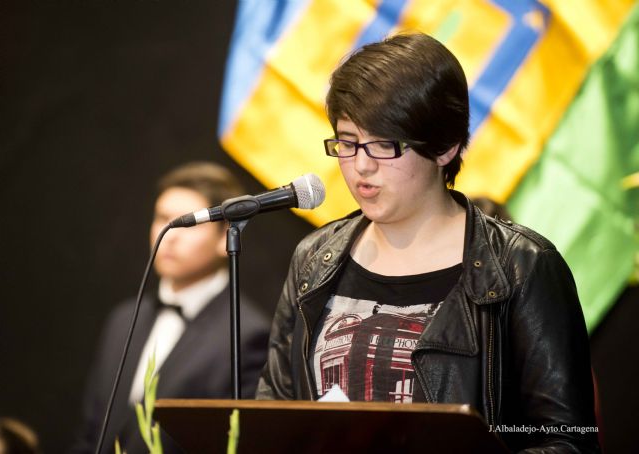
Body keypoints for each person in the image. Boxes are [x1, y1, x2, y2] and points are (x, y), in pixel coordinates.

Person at [256, 33, 599, 452]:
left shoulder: (521, 266)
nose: (361, 166)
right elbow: (274, 410)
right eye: (347, 142)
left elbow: (570, 441)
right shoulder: (314, 258)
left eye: (385, 144)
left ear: (445, 148)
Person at [71, 162, 270, 454]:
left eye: (186, 223)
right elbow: (90, 432)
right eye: (163, 218)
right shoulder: (124, 318)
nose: (170, 235)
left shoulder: (246, 334)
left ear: (225, 234)